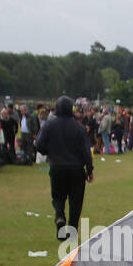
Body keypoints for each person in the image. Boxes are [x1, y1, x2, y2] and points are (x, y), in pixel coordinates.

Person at [35, 96, 94, 241]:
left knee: (58, 196)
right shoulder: (78, 127)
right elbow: (86, 150)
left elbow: (39, 144)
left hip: (57, 166)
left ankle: (59, 216)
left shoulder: (49, 125)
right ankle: (72, 231)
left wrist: (51, 152)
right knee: (76, 201)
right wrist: (89, 169)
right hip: (76, 169)